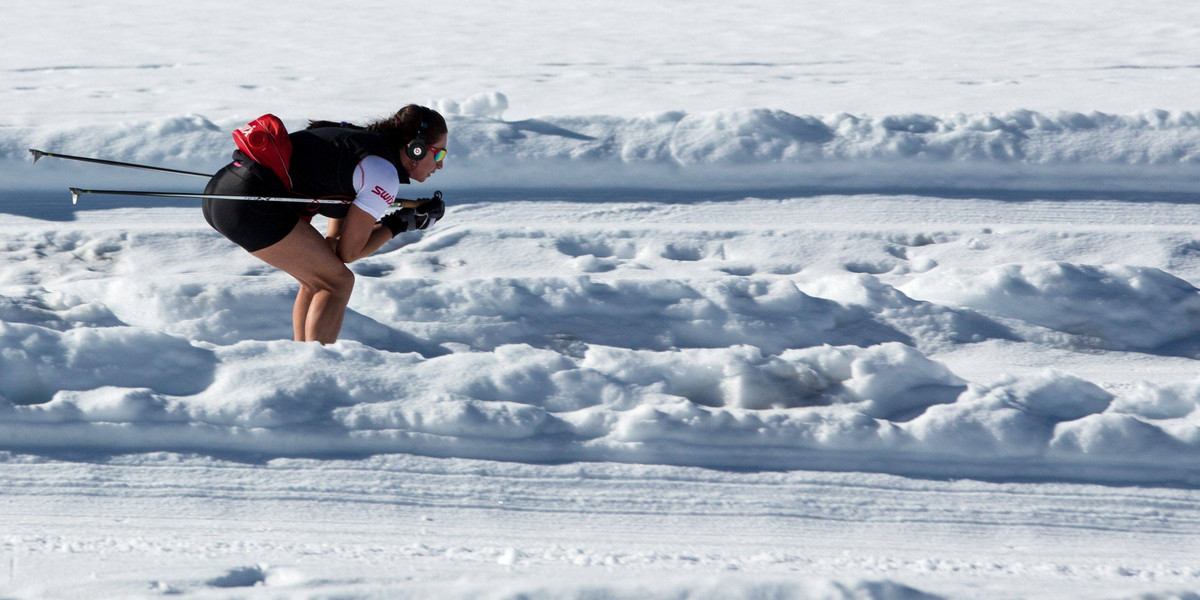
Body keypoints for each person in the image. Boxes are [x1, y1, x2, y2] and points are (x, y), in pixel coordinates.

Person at [202, 104, 448, 344]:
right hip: (249, 204)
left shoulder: (363, 146)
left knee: (320, 278)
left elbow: (334, 246)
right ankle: (316, 366)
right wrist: (401, 224)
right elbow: (349, 252)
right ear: (415, 149)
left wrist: (402, 220)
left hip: (225, 191)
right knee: (338, 283)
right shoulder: (383, 173)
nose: (440, 165)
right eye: (438, 153)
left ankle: (305, 358)